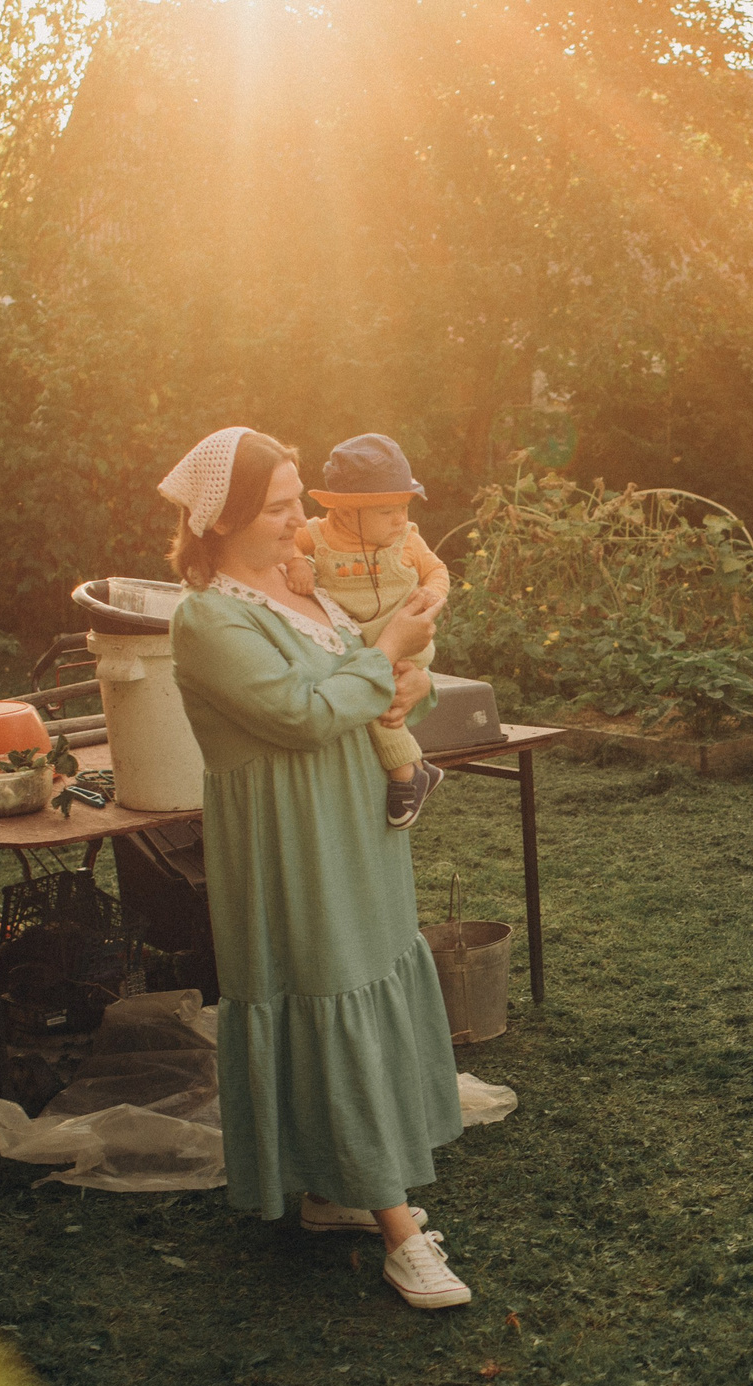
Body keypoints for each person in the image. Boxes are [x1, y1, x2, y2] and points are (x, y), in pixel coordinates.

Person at [158, 425, 471, 1309]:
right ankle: (400, 1232)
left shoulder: (300, 585)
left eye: (299, 501)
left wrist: (413, 682)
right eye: (281, 507)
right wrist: (382, 659)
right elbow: (299, 712)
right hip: (289, 831)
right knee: (327, 982)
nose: (301, 522)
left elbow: (368, 675)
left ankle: (341, 1186)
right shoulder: (207, 618)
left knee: (366, 969)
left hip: (348, 814)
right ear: (219, 521)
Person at [304, 433, 453, 829]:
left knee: (378, 701)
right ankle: (421, 768)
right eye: (388, 511)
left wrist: (430, 593)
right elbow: (284, 550)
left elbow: (438, 570)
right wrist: (299, 563)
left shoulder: (407, 539)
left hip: (405, 638)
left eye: (403, 508)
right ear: (344, 510)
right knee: (367, 683)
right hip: (360, 644)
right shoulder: (317, 536)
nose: (400, 519)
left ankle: (406, 776)